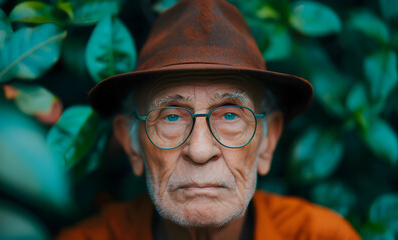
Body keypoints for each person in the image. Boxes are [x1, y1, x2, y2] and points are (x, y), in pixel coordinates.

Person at [57, 0, 361, 239]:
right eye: (172, 116)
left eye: (230, 114)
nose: (200, 151)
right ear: (133, 144)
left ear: (267, 141)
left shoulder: (321, 236)